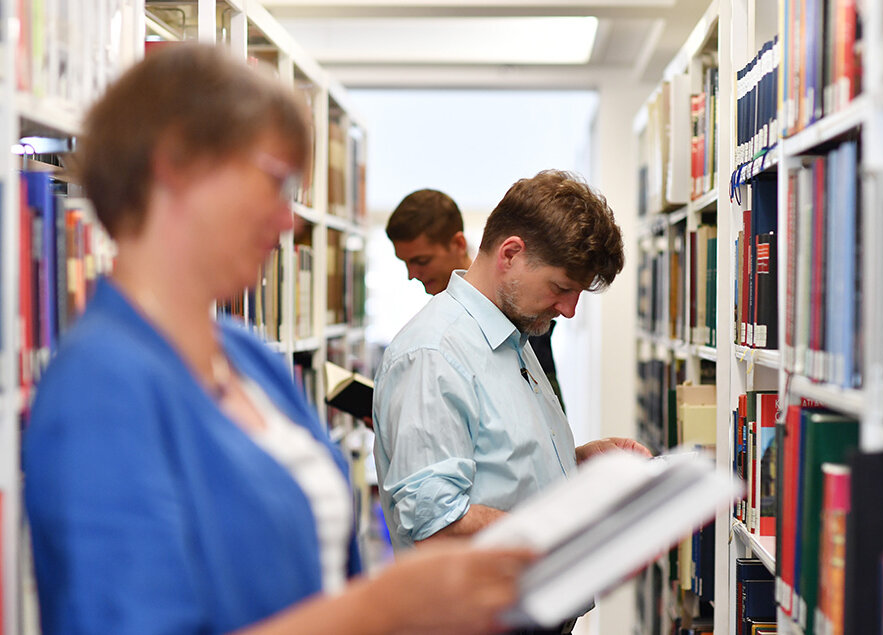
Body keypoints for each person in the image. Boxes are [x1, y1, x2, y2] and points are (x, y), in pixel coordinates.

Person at [22, 43, 536, 635]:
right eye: (275, 180)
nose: (290, 219)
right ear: (176, 164)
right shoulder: (98, 386)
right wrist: (384, 608)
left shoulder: (245, 358)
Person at [372, 170, 651, 634]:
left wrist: (577, 461)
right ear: (511, 254)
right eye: (562, 287)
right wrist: (568, 535)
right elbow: (437, 520)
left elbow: (498, 463)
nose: (569, 309)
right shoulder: (434, 354)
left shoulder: (513, 336)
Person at [386, 188, 565, 407]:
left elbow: (549, 423)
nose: (411, 275)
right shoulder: (433, 328)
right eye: (405, 262)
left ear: (459, 244)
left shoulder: (523, 315)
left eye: (421, 261)